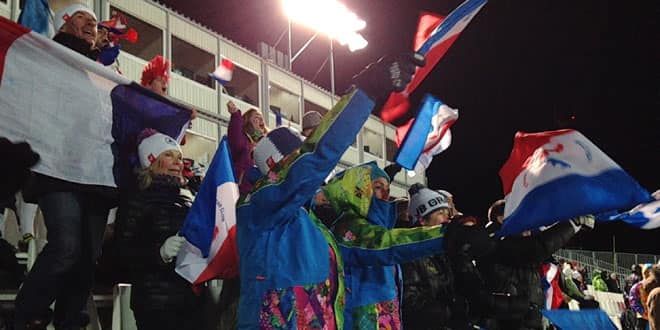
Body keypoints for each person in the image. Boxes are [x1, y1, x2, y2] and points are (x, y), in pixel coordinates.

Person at [236, 53, 424, 328]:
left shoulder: (315, 224)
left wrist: (448, 235)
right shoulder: (258, 206)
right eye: (293, 160)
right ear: (275, 165)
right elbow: (314, 158)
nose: (314, 179)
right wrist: (365, 93)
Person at [14, 5, 118, 330]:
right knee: (66, 247)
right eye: (81, 18)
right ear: (64, 24)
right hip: (56, 166)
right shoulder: (47, 56)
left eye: (94, 20)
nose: (90, 23)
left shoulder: (102, 71)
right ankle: (26, 317)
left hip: (95, 171)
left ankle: (71, 321)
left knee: (86, 260)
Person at [320, 166, 446, 329]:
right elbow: (387, 244)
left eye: (388, 189)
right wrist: (444, 236)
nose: (386, 195)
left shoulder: (376, 226)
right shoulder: (348, 226)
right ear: (357, 189)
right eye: (378, 187)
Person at [114, 129, 203, 330]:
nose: (177, 162)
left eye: (179, 157)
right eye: (168, 155)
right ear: (151, 160)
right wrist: (159, 254)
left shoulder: (190, 196)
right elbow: (122, 254)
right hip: (156, 304)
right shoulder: (137, 197)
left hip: (191, 299)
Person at [477, 210, 594, 330]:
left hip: (527, 319)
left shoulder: (512, 248)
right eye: (522, 220)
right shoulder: (497, 242)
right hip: (512, 322)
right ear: (501, 218)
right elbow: (538, 248)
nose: (528, 228)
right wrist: (572, 223)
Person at [402, 184, 462, 329]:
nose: (447, 218)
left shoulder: (443, 250)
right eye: (440, 213)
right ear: (422, 220)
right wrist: (448, 311)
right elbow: (410, 301)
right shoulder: (411, 253)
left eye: (447, 213)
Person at [227, 101, 268, 195]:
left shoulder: (267, 143)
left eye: (261, 118)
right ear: (248, 121)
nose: (261, 120)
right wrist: (236, 115)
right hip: (242, 191)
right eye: (256, 117)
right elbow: (235, 135)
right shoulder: (244, 141)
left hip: (260, 192)